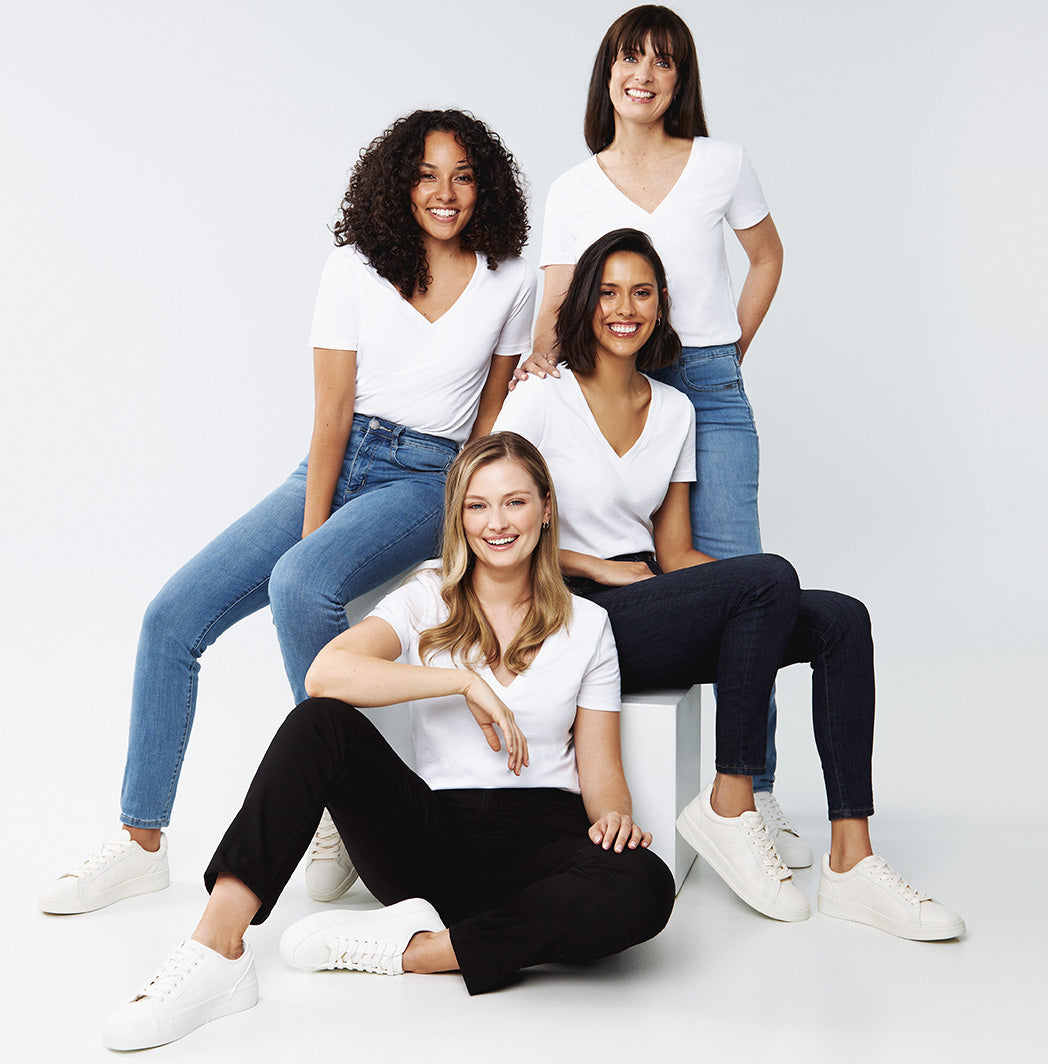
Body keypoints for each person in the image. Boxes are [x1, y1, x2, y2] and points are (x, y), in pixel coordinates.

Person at [39, 109, 535, 916]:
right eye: (426, 175)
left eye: (463, 176)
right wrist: (316, 533)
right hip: (340, 457)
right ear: (399, 184)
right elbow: (332, 415)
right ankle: (140, 841)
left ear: (486, 187)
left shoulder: (510, 279)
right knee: (172, 618)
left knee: (301, 583)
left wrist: (469, 508)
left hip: (429, 479)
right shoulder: (353, 268)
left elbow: (488, 416)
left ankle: (340, 792)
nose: (445, 192)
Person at [100, 433, 675, 1051]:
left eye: (514, 502)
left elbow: (601, 769)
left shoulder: (589, 625)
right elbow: (326, 674)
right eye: (477, 505)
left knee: (645, 883)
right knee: (319, 722)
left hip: (544, 845)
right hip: (433, 843)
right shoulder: (429, 596)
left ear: (546, 508)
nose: (497, 522)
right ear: (458, 517)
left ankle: (417, 951)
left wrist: (615, 819)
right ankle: (217, 951)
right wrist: (462, 681)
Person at [495, 229, 965, 938]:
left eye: (642, 293)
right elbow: (483, 523)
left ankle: (852, 859)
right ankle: (730, 802)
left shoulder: (674, 410)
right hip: (573, 610)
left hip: (648, 597)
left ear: (661, 306)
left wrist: (757, 598)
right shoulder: (542, 398)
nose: (625, 308)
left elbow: (676, 552)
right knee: (768, 577)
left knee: (840, 617)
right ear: (585, 302)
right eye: (609, 292)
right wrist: (592, 565)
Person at [513, 5, 801, 862]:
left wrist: (728, 353)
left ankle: (754, 791)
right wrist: (537, 368)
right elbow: (558, 296)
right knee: (643, 567)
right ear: (608, 73)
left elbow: (768, 257)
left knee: (739, 574)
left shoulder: (722, 163)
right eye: (629, 58)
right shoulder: (574, 187)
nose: (644, 74)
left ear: (681, 79)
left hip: (704, 383)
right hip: (606, 373)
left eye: (663, 61)